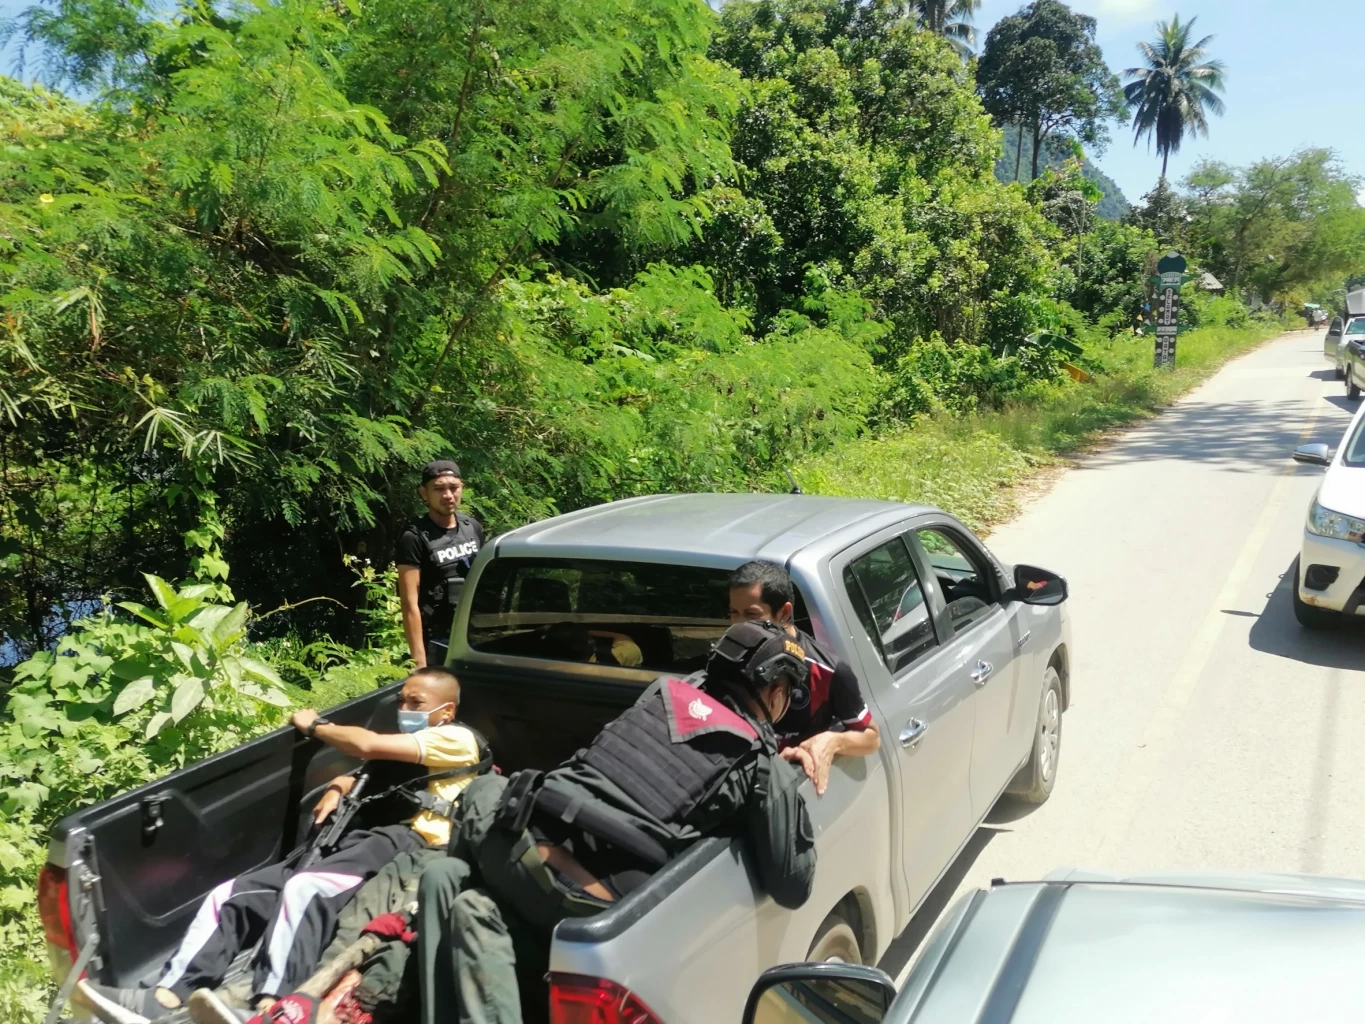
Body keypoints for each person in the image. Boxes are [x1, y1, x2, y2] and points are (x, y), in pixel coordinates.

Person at [416, 619, 817, 1024]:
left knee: (459, 872)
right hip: (587, 904)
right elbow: (792, 886)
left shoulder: (660, 692)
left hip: (513, 851)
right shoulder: (762, 764)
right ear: (777, 690)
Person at [80, 668, 485, 1024]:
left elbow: (366, 746)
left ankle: (270, 1006)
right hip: (368, 837)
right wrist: (339, 784)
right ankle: (164, 996)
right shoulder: (413, 746)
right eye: (402, 700)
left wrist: (314, 727)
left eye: (417, 702)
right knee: (232, 894)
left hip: (414, 845)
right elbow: (373, 770)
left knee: (305, 888)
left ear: (446, 710)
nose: (405, 708)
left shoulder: (456, 738)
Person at [728, 560, 880, 796]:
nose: (739, 624)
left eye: (751, 614)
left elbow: (871, 739)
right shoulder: (727, 662)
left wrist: (832, 742)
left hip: (794, 791)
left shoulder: (829, 671)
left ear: (785, 612)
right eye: (734, 613)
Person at [396, 460, 485, 668]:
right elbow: (410, 605)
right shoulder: (413, 537)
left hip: (471, 637)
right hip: (436, 641)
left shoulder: (472, 528)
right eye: (439, 489)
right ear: (424, 493)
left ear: (462, 487)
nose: (448, 495)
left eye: (453, 488)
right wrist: (419, 662)